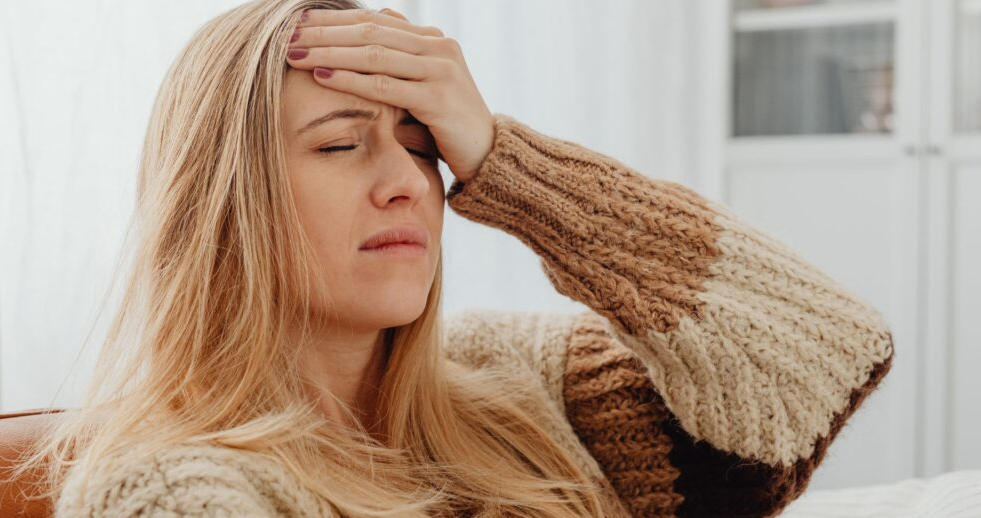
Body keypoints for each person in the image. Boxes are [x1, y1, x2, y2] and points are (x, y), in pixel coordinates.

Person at [10, 0, 895, 517]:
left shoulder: (517, 379)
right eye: (338, 145)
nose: (408, 183)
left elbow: (826, 350)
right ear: (222, 202)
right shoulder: (173, 489)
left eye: (422, 144)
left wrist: (507, 161)